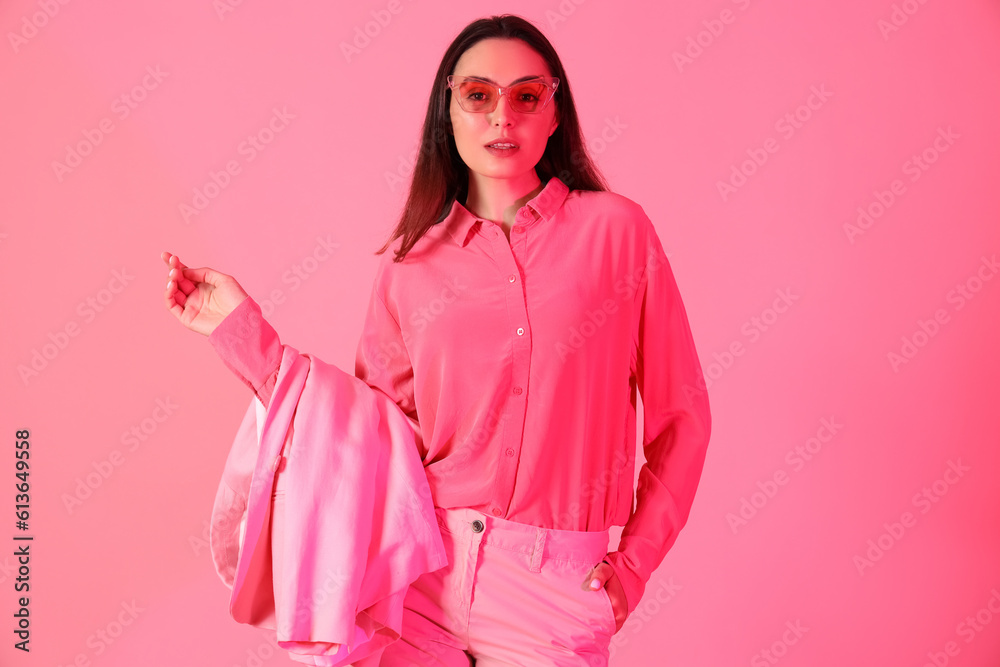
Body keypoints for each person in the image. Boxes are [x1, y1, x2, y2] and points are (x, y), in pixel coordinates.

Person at [163, 13, 711, 666]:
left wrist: (632, 566)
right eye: (478, 95)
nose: (501, 116)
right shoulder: (411, 266)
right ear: (447, 113)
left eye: (526, 96)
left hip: (553, 595)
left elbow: (684, 417)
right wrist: (243, 334)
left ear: (554, 113)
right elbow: (365, 440)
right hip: (418, 579)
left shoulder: (618, 235)